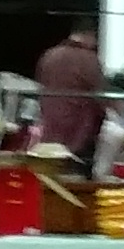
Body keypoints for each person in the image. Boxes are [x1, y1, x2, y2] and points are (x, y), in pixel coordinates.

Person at [33, 19, 106, 157]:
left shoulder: (49, 55)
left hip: (49, 129)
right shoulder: (89, 59)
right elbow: (101, 98)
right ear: (90, 35)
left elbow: (40, 88)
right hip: (78, 134)